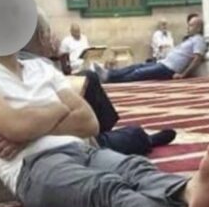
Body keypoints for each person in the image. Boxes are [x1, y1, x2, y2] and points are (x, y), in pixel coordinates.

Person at [0, 39, 209, 207]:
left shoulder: (41, 68)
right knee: (105, 188)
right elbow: (15, 126)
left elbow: (88, 122)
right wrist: (57, 109)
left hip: (80, 148)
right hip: (32, 170)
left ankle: (190, 192)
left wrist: (30, 126)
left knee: (134, 167)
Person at [21, 9, 175, 156]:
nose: (53, 38)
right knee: (133, 133)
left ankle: (109, 131)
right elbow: (87, 123)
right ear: (42, 37)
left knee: (89, 77)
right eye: (49, 33)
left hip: (46, 138)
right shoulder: (39, 71)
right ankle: (142, 139)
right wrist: (27, 131)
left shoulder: (9, 68)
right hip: (63, 149)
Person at [96, 15, 206, 83]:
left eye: (191, 25)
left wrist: (183, 74)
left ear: (199, 27)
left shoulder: (199, 40)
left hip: (169, 69)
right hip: (163, 62)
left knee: (138, 73)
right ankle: (108, 74)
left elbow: (197, 58)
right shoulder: (190, 39)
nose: (188, 27)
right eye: (189, 25)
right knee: (136, 66)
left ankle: (109, 77)